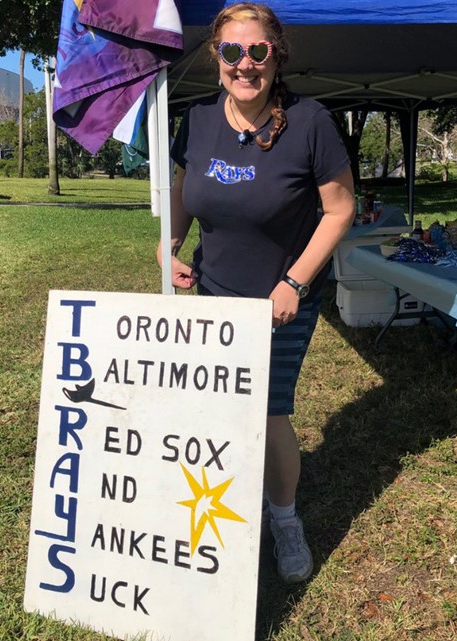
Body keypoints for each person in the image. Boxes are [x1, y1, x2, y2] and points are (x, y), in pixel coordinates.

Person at [156, 2, 355, 584]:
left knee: (268, 413)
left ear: (277, 56)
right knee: (217, 406)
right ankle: (223, 504)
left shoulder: (311, 121)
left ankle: (284, 518)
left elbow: (338, 211)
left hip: (282, 302)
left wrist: (294, 281)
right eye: (231, 52)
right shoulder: (194, 121)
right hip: (213, 294)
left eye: (258, 52)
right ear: (216, 57)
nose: (246, 65)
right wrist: (170, 248)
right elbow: (184, 191)